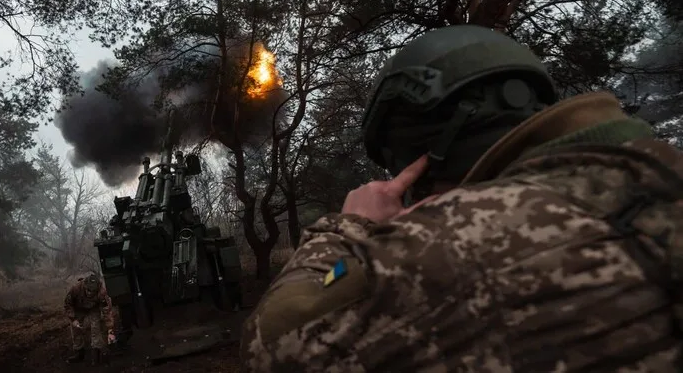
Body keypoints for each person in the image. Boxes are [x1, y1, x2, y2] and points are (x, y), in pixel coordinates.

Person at [240, 25, 683, 372]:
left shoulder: (453, 242)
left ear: (430, 158)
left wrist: (350, 228)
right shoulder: (655, 168)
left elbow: (274, 342)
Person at [64, 273, 116, 365]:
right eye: (88, 290)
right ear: (84, 286)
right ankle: (79, 352)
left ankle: (96, 353)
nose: (89, 292)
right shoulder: (76, 289)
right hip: (78, 308)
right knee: (76, 328)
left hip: (93, 308)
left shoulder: (102, 293)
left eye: (92, 291)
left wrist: (110, 329)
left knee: (96, 328)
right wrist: (73, 319)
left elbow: (107, 311)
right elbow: (68, 304)